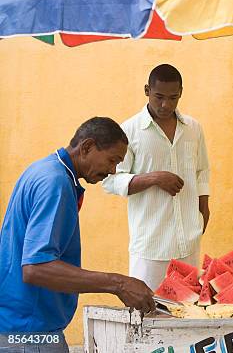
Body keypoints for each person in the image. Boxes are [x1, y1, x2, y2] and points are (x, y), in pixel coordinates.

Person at [0, 117, 155, 353]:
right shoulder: (55, 182)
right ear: (87, 147)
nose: (113, 170)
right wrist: (119, 283)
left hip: (19, 326)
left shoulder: (42, 169)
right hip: (31, 334)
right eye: (112, 160)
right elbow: (35, 268)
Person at [103, 64, 210, 291]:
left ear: (181, 93)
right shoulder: (128, 131)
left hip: (188, 242)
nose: (165, 105)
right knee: (147, 315)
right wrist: (153, 178)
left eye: (173, 98)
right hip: (150, 247)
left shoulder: (193, 128)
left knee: (186, 315)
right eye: (159, 97)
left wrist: (204, 207)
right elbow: (110, 180)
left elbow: (202, 170)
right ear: (147, 90)